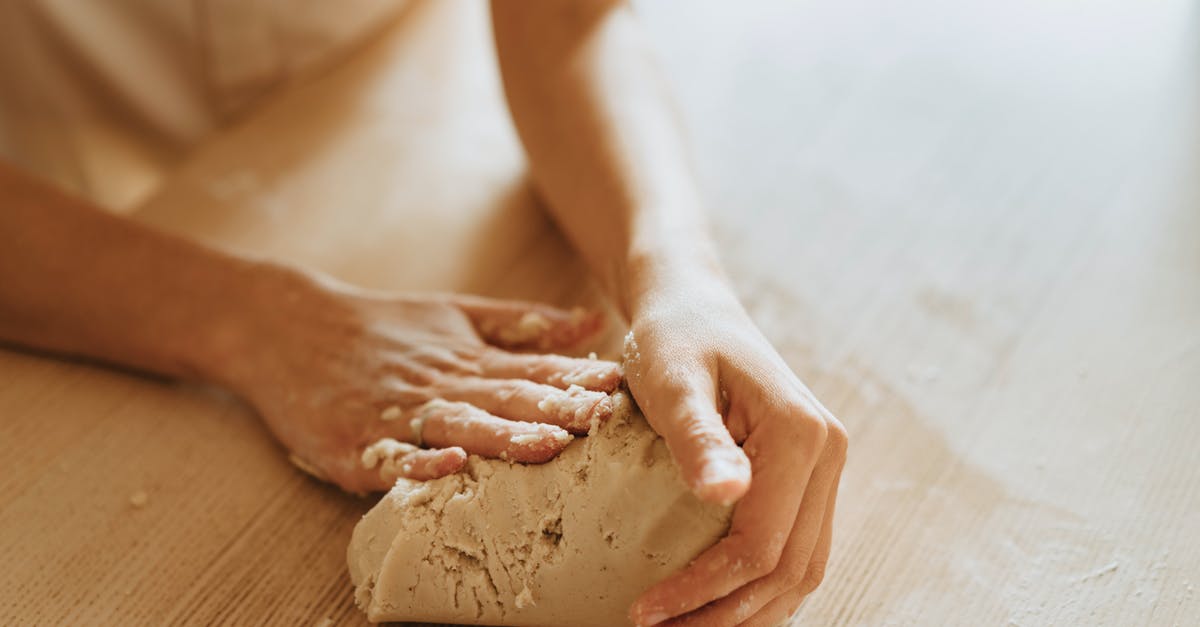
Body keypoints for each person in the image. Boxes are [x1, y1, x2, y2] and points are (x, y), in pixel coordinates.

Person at [0, 1, 847, 625]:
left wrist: (676, 274)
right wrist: (248, 319)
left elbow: (569, 20)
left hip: (385, 96)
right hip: (70, 202)